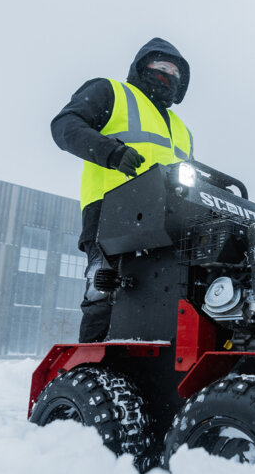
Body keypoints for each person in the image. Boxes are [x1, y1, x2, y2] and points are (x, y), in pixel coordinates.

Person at [51, 37, 192, 343]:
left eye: (176, 71)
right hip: (110, 212)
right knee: (105, 290)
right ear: (143, 66)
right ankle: (89, 369)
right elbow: (64, 126)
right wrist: (110, 152)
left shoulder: (182, 130)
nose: (169, 74)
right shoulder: (111, 92)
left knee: (168, 299)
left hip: (169, 222)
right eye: (161, 65)